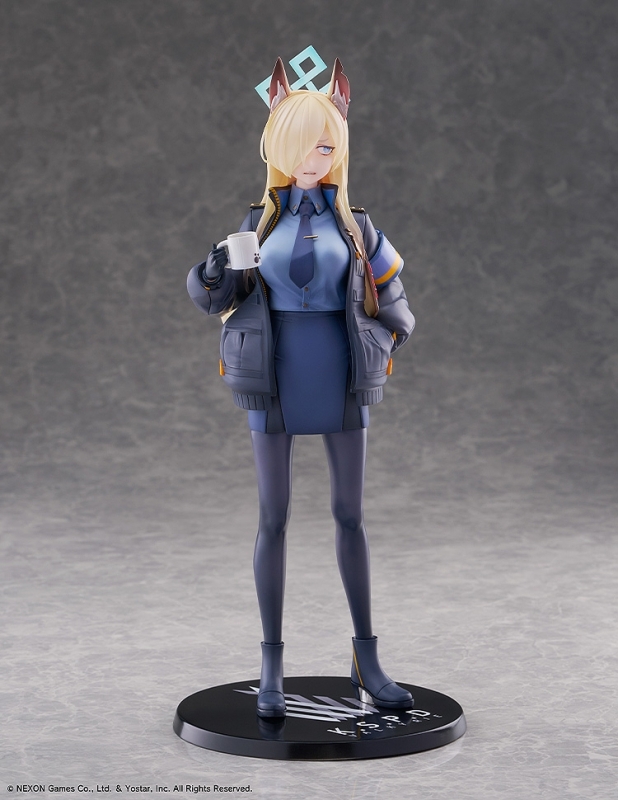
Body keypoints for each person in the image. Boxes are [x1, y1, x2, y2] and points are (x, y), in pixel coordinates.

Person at [187, 58, 416, 718]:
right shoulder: (257, 224)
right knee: (273, 517)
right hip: (275, 374)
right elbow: (216, 297)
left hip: (340, 371)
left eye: (325, 146)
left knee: (350, 515)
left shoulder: (356, 225)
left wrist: (388, 337)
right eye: (301, 145)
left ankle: (367, 658)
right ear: (276, 148)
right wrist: (214, 268)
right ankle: (271, 664)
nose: (314, 159)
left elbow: (392, 291)